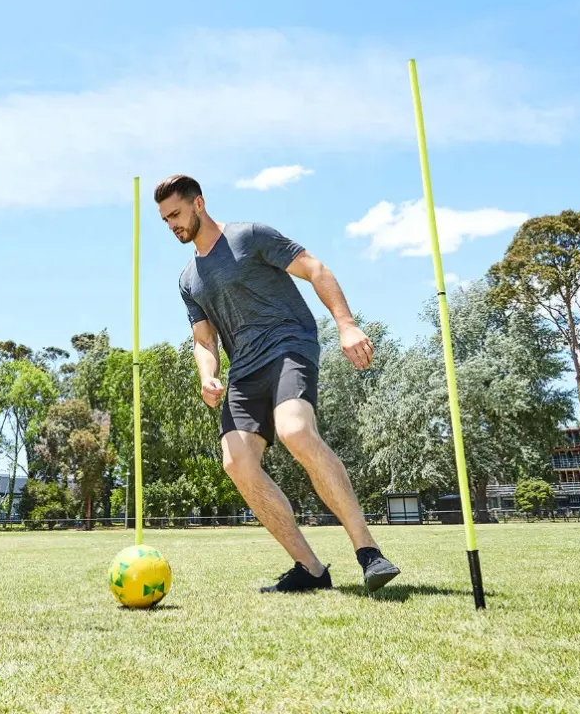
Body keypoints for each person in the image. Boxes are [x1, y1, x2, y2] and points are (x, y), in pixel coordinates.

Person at [155, 174, 400, 594]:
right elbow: (204, 340)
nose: (172, 224)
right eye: (165, 219)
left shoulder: (250, 237)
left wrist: (346, 325)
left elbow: (315, 269)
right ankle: (310, 569)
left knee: (295, 430)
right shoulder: (188, 279)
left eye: (175, 214)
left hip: (289, 346)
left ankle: (368, 553)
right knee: (237, 463)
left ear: (199, 204)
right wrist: (207, 375)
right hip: (245, 371)